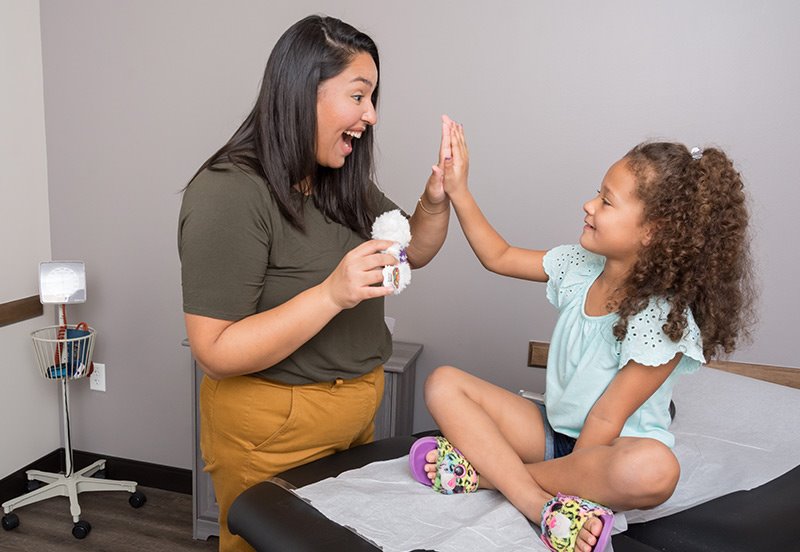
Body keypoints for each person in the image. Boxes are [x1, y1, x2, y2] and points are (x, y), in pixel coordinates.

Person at [408, 120, 755, 552]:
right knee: (443, 383)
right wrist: (458, 191)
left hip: (607, 451)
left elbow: (606, 420)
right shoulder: (578, 266)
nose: (588, 205)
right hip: (554, 437)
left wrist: (576, 476)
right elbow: (498, 255)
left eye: (606, 201)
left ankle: (486, 476)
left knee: (657, 469)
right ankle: (534, 501)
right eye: (598, 193)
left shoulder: (664, 324)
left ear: (654, 231)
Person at [178, 16, 452, 551]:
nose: (370, 116)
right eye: (359, 95)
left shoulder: (335, 182)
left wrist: (436, 199)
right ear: (304, 93)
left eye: (373, 98)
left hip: (352, 419)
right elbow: (214, 350)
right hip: (271, 431)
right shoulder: (229, 193)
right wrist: (331, 293)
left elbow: (412, 249)